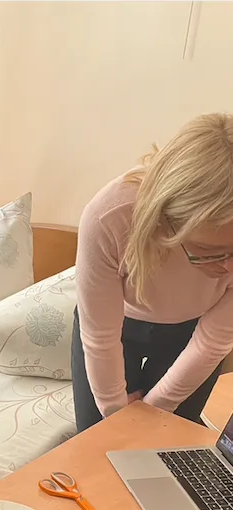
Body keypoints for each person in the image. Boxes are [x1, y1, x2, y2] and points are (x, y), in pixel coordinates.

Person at [72, 112, 233, 432]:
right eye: (212, 252)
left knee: (168, 439)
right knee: (96, 439)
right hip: (115, 326)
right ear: (170, 222)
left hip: (194, 331)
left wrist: (152, 413)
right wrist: (115, 412)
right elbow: (101, 337)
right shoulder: (109, 217)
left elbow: (211, 343)